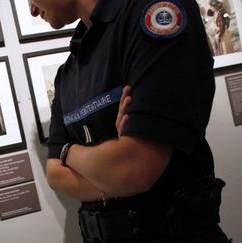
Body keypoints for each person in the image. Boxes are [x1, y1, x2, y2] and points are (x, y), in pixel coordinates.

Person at [30, 0, 231, 242]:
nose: (31, 9)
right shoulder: (68, 72)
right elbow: (55, 175)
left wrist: (68, 152)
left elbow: (133, 169)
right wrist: (114, 176)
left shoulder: (153, 10)